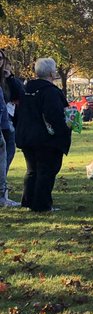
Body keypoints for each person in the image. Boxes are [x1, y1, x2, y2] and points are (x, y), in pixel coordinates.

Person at [14, 57, 72, 212]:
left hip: (27, 137)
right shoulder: (50, 92)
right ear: (52, 73)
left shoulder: (25, 90)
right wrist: (64, 132)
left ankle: (28, 201)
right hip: (45, 139)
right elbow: (55, 115)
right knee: (46, 171)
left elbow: (18, 113)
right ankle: (42, 205)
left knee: (32, 170)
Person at [0, 50, 23, 204]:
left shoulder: (5, 79)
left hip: (7, 122)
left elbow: (21, 93)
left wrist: (11, 78)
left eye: (1, 58)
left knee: (8, 152)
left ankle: (3, 187)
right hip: (3, 122)